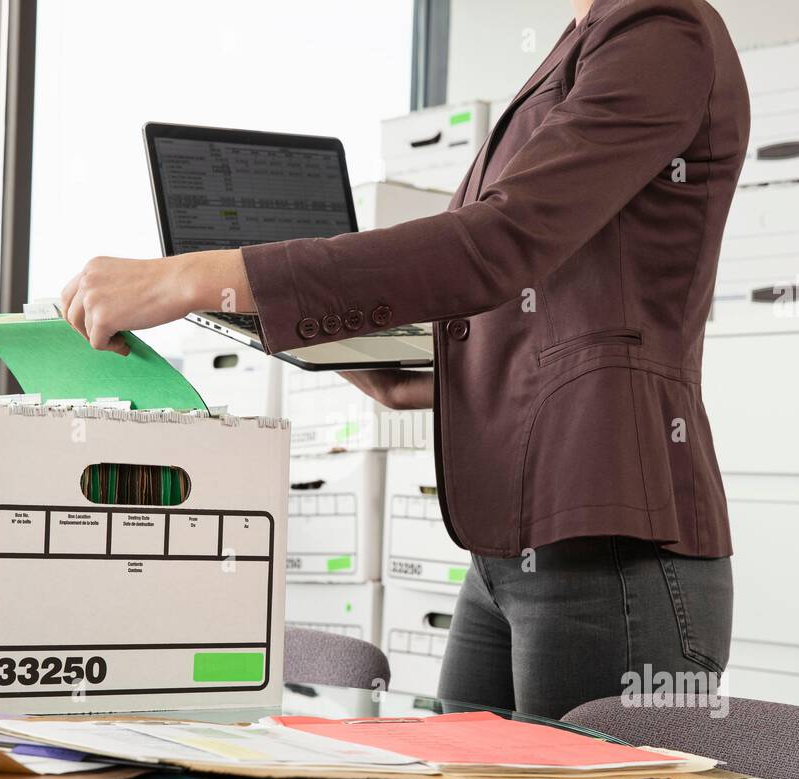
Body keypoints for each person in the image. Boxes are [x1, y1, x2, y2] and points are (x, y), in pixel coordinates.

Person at [59, 0, 749, 720]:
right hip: (511, 544)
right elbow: (548, 308)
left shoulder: (663, 33)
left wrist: (192, 276)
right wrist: (409, 373)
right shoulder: (583, 43)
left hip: (611, 540)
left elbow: (494, 246)